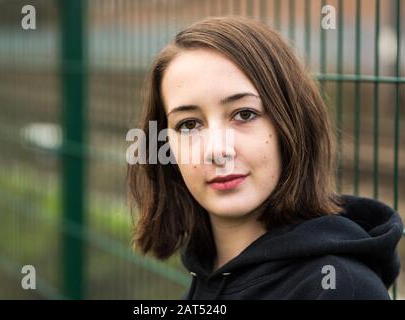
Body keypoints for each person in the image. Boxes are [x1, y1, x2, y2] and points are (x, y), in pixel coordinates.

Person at [126, 16, 403, 299]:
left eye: (244, 114)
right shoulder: (210, 272)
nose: (217, 151)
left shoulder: (337, 288)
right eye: (188, 124)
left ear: (291, 125)